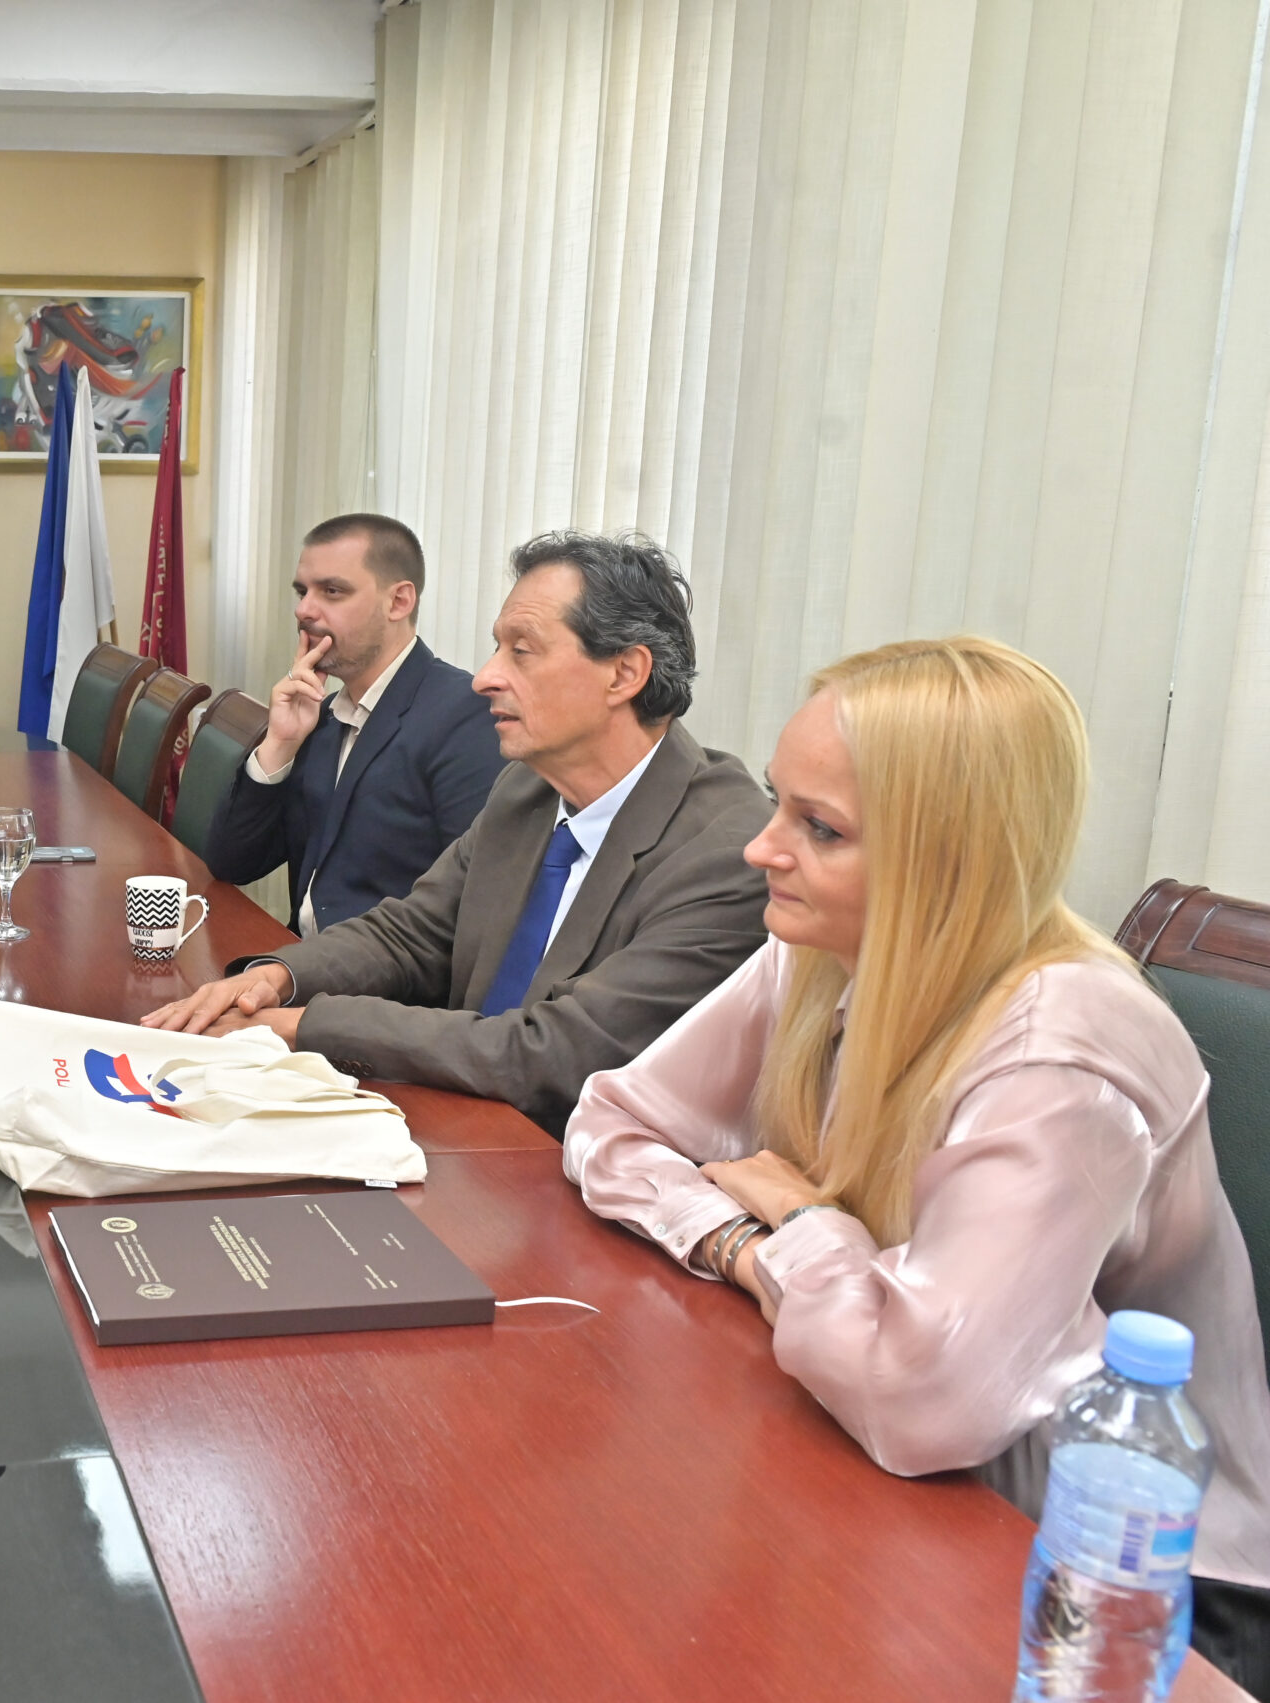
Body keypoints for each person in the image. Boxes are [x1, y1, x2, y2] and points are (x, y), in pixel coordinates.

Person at [563, 636, 1270, 1687]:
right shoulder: (820, 950)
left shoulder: (1064, 1047)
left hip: (1124, 1576)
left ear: (949, 857)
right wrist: (746, 1247)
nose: (760, 848)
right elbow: (613, 1124)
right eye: (779, 803)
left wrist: (806, 1224)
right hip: (905, 1469)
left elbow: (919, 1394)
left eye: (820, 828)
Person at [144, 531, 770, 1133]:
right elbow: (413, 932)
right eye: (497, 647)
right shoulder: (527, 789)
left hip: (580, 1171)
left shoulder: (729, 852)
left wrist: (303, 1026)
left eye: (521, 651)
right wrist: (276, 978)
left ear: (625, 673)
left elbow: (556, 1053)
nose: (484, 677)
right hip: (464, 1123)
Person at [203, 514, 504, 934]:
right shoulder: (322, 716)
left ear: (399, 602)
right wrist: (280, 743)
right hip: (298, 957)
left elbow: (468, 911)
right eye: (302, 592)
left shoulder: (466, 717)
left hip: (375, 972)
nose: (304, 610)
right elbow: (232, 863)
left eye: (332, 591)